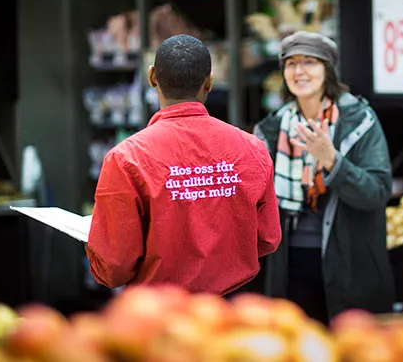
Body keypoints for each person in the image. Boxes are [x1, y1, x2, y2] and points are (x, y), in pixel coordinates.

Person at [86, 34, 281, 296]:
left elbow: (115, 266)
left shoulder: (126, 158)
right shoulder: (252, 148)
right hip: (236, 315)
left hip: (163, 316)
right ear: (209, 82)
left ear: (152, 77)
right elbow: (267, 239)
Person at [253, 31, 395, 324]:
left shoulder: (360, 121)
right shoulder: (271, 128)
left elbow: (377, 193)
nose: (299, 71)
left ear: (327, 69)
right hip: (289, 262)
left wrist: (331, 160)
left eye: (309, 62)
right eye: (291, 64)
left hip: (349, 263)